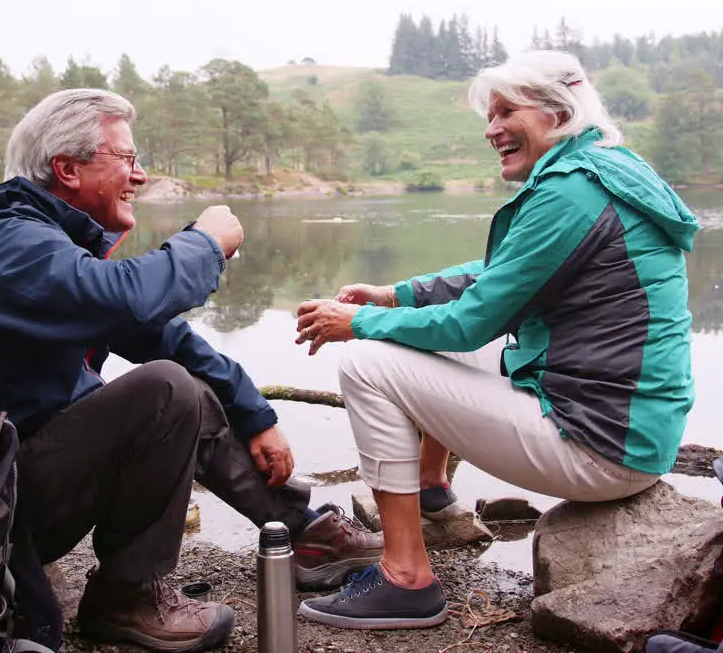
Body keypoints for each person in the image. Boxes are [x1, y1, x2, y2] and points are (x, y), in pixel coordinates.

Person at [0, 88, 381, 652]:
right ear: (67, 169)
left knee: (181, 381)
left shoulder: (42, 246)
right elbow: (129, 300)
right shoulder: (9, 243)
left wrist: (254, 415)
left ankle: (304, 533)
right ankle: (127, 597)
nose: (140, 175)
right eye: (126, 158)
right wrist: (205, 244)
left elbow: (160, 335)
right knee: (165, 392)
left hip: (4, 490)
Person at [290, 50, 701, 630]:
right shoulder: (604, 169)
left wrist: (355, 323)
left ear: (559, 112)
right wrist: (395, 295)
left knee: (367, 362)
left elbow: (470, 322)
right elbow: (503, 272)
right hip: (630, 430)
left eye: (508, 111)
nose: (492, 129)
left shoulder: (573, 190)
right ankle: (431, 494)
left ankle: (405, 578)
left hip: (599, 445)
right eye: (490, 114)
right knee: (410, 341)